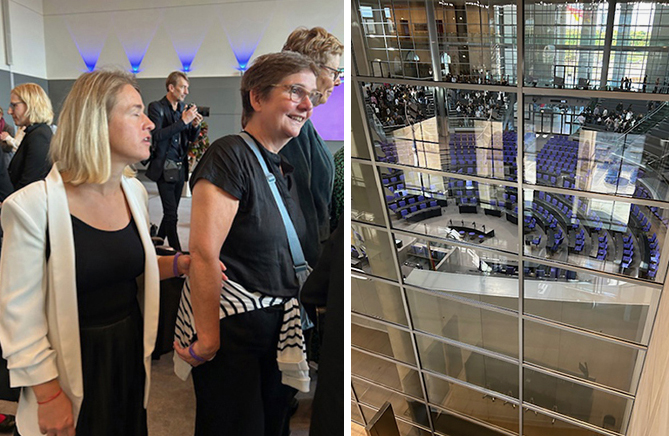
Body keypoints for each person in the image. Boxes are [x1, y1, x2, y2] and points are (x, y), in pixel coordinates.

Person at [0, 70, 196, 436]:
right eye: (135, 112)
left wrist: (182, 264)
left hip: (128, 353)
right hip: (73, 363)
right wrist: (46, 395)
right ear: (96, 122)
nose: (150, 123)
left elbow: (119, 264)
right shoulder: (30, 207)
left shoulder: (133, 193)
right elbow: (18, 314)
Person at [173, 51, 321, 436]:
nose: (307, 104)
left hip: (274, 332)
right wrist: (207, 340)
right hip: (235, 340)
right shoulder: (229, 155)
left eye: (311, 95)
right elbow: (204, 253)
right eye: (295, 92)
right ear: (257, 98)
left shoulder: (277, 164)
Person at [280, 26, 344, 266]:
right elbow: (302, 209)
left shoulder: (303, 127)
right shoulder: (292, 132)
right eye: (335, 71)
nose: (338, 81)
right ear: (312, 70)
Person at [146, 71, 202, 252]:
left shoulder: (183, 108)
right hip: (163, 166)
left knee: (172, 211)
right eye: (183, 87)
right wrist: (183, 121)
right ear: (171, 87)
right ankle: (177, 252)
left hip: (179, 166)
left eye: (187, 88)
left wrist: (194, 125)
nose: (186, 91)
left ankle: (159, 239)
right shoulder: (156, 107)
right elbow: (157, 136)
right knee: (171, 214)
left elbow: (190, 138)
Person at [6, 84, 53, 192]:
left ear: (31, 105)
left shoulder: (39, 135)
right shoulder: (33, 132)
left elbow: (30, 184)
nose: (9, 111)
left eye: (14, 105)